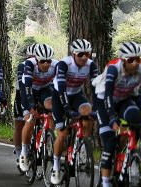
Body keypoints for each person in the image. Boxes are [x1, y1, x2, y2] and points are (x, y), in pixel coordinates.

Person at [93, 41, 141, 187]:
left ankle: (130, 154)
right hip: (104, 101)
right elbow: (107, 95)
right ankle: (105, 182)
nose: (135, 63)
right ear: (123, 60)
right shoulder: (114, 69)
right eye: (131, 60)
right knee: (109, 142)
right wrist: (113, 118)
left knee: (136, 119)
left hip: (122, 99)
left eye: (138, 59)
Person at [50, 38, 99, 184]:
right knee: (63, 132)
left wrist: (97, 108)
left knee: (88, 114)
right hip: (60, 96)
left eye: (87, 54)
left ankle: (83, 147)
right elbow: (62, 87)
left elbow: (97, 87)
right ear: (73, 54)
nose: (84, 57)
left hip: (76, 95)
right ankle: (56, 166)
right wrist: (66, 109)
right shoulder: (64, 64)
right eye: (81, 54)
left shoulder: (91, 65)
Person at [18, 43, 56, 173]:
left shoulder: (56, 65)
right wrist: (31, 105)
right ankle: (24, 152)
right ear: (37, 60)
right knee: (31, 118)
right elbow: (27, 87)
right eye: (43, 61)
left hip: (45, 88)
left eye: (49, 61)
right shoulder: (29, 64)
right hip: (29, 90)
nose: (46, 64)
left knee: (51, 110)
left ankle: (50, 140)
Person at [13, 44, 36, 167]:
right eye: (31, 57)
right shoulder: (23, 65)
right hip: (22, 94)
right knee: (20, 123)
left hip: (37, 93)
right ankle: (19, 152)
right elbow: (23, 87)